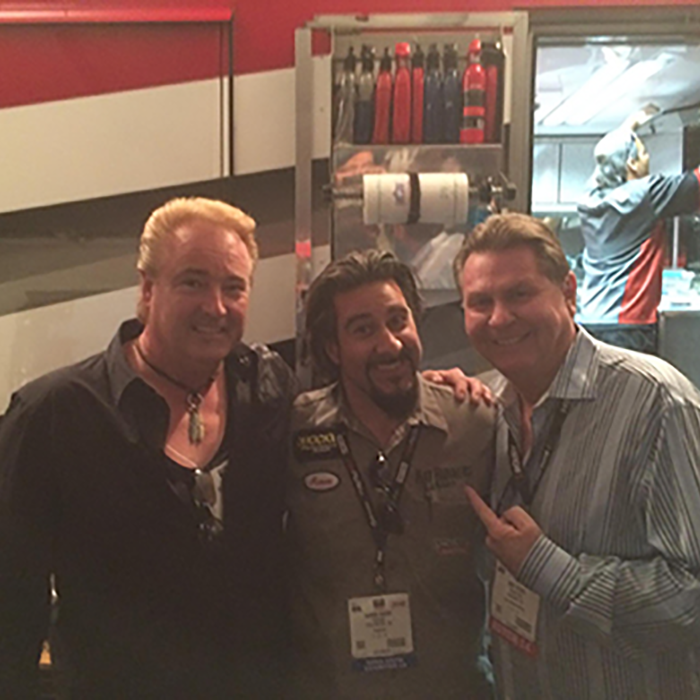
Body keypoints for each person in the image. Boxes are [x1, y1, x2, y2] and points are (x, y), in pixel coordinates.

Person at [0, 197, 297, 699]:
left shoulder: (269, 389)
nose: (216, 307)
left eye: (233, 287)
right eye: (192, 282)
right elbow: (10, 607)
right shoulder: (53, 414)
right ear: (146, 289)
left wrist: (432, 391)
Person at [455, 212, 700, 700]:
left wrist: (550, 569)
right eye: (480, 302)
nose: (499, 318)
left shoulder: (656, 402)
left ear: (568, 292)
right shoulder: (484, 409)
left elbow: (690, 599)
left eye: (519, 294)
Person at [285, 249, 495, 700]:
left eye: (399, 321)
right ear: (333, 348)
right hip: (331, 688)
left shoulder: (475, 422)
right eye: (363, 330)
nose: (391, 344)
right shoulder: (294, 430)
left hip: (453, 688)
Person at [577, 109, 700, 353]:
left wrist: (629, 126)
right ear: (632, 164)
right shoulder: (643, 196)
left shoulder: (589, 199)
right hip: (627, 325)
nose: (647, 159)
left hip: (591, 321)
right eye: (644, 153)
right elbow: (695, 184)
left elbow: (606, 159)